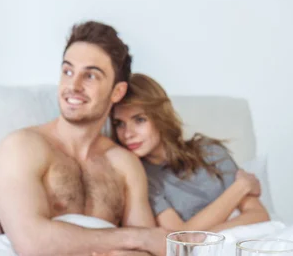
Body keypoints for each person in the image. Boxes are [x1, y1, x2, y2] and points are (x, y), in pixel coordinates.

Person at [0, 23, 166, 256]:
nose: (73, 86)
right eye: (68, 71)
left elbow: (151, 251)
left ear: (117, 92)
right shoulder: (23, 147)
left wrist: (136, 254)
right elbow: (31, 244)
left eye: (91, 75)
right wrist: (133, 238)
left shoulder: (124, 163)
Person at [110, 73, 270, 235]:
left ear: (159, 116)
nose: (127, 134)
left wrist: (201, 238)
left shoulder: (210, 152)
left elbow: (259, 215)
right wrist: (241, 187)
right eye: (119, 124)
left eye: (139, 120)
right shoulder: (142, 177)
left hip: (240, 241)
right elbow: (179, 235)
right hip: (199, 252)